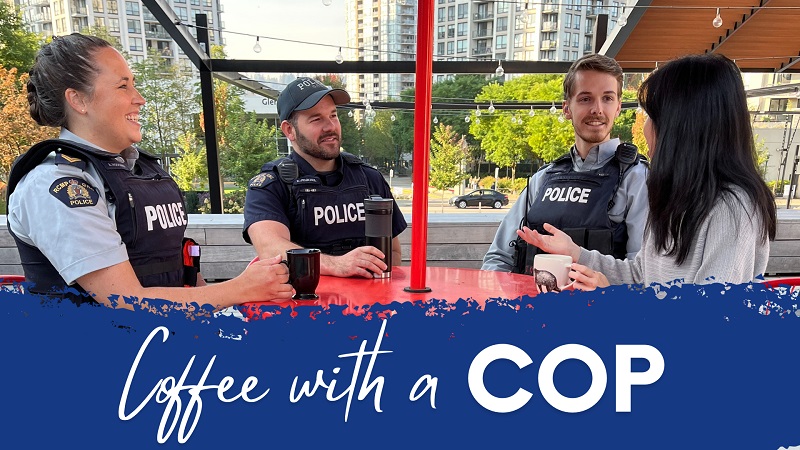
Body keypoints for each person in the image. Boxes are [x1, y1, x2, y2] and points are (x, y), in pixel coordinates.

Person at [6, 33, 293, 309]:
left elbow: (178, 269)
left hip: (165, 344)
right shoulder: (55, 185)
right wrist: (241, 288)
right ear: (78, 100)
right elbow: (128, 302)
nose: (140, 98)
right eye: (123, 86)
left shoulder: (140, 170)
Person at [517, 53, 777, 288]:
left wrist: (611, 299)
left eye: (652, 117)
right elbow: (641, 274)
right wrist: (575, 252)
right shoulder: (677, 199)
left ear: (683, 128)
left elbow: (707, 322)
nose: (645, 129)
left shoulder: (734, 210)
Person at [482, 53, 649, 274]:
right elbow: (499, 257)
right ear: (566, 108)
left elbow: (643, 272)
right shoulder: (543, 179)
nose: (597, 109)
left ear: (618, 107)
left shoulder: (637, 179)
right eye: (585, 98)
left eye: (607, 98)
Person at [243, 77, 407, 279]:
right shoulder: (270, 186)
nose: (330, 126)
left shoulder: (370, 178)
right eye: (316, 119)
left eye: (333, 115)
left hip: (368, 306)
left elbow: (394, 253)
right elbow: (270, 248)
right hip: (301, 308)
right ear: (289, 130)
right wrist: (337, 265)